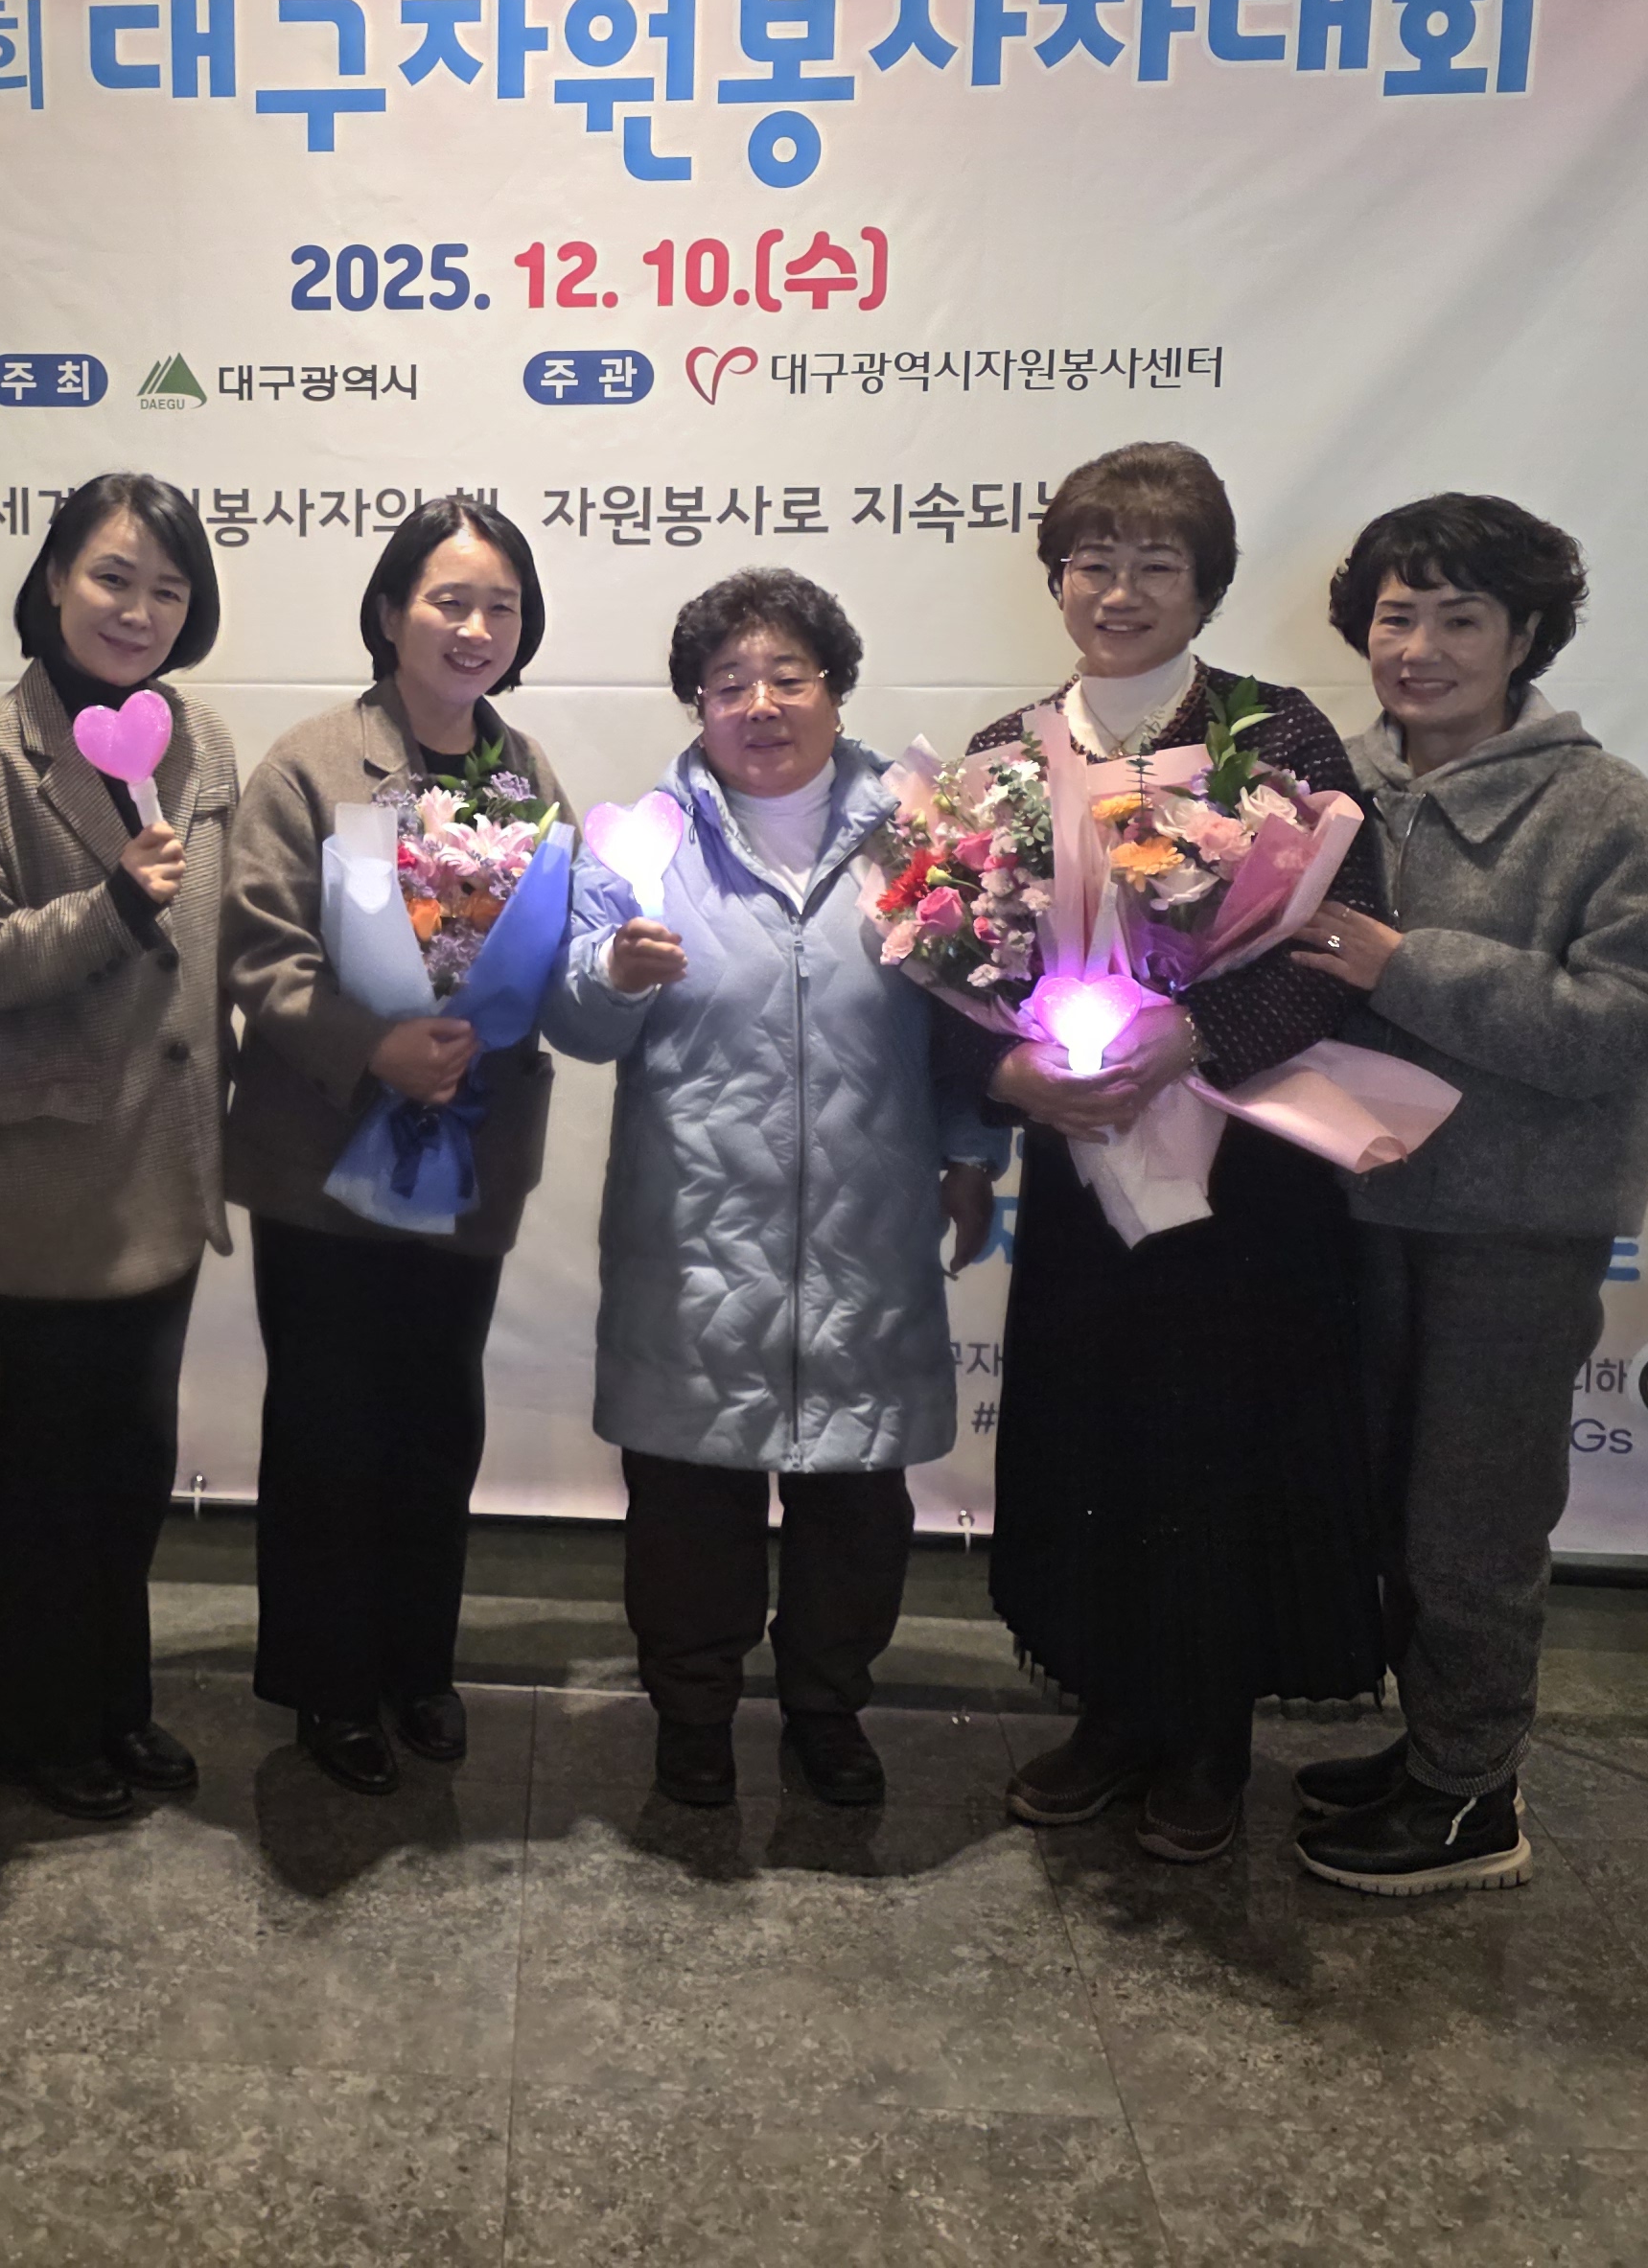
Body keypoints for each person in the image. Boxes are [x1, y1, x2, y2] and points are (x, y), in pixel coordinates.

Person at [950, 441, 1390, 1864]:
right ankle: (1111, 1714)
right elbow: (941, 966)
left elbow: (1338, 947)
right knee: (1093, 1435)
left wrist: (1194, 1035)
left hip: (1246, 1170)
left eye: (1157, 564)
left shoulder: (1277, 737)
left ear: (1207, 586)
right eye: (1093, 560)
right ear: (1056, 578)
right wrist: (1008, 1071)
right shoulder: (1005, 756)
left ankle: (1207, 1741)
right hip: (1082, 1168)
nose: (1120, 590)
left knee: (1224, 1444)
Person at [1284, 495, 1648, 1894]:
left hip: (1511, 1226)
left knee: (1474, 1518)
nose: (1420, 649)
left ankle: (1473, 1793)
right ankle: (1430, 1751)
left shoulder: (1602, 809)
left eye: (1460, 619)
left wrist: (1402, 965)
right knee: (1381, 1506)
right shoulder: (1321, 789)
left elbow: (1637, 1017)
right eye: (1396, 616)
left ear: (1525, 637)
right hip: (1345, 1212)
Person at [542, 568, 993, 1810]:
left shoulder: (920, 841)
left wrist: (971, 1156)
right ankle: (691, 1716)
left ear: (837, 691)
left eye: (788, 676)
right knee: (689, 1509)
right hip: (696, 1241)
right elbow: (575, 1021)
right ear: (696, 704)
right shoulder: (643, 843)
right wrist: (613, 973)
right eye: (728, 681)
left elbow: (966, 1023)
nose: (759, 703)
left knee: (857, 1508)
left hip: (867, 1238)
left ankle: (827, 1712)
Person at [222, 498, 570, 1794]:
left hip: (468, 1151)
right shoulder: (313, 764)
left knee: (435, 1419)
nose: (476, 628)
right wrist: (373, 1044)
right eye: (448, 601)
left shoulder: (525, 771)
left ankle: (418, 1665)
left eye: (501, 607)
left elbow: (553, 933)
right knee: (329, 1426)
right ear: (388, 612)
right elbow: (259, 946)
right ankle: (329, 1685)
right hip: (326, 1160)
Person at [0, 471, 239, 1824]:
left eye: (166, 588)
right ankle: (34, 1731)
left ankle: (114, 1701)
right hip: (44, 1178)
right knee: (52, 1475)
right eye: (112, 577)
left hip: (167, 1163)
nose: (137, 610)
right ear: (53, 580)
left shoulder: (200, 742)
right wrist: (110, 905)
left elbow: (220, 937)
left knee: (130, 1467)